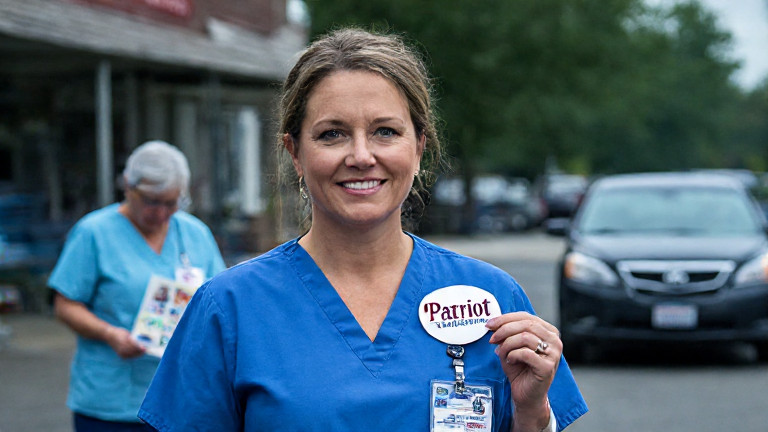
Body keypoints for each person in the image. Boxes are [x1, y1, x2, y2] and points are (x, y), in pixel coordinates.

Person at [139, 29, 588, 431]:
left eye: (385, 132)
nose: (360, 155)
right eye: (332, 134)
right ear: (294, 153)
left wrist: (532, 414)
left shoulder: (492, 300)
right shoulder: (229, 309)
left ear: (419, 148)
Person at [49, 140, 226, 431]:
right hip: (111, 404)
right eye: (152, 201)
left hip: (180, 401)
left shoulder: (195, 234)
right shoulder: (93, 233)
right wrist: (110, 334)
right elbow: (65, 304)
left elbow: (217, 301)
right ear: (128, 186)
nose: (161, 213)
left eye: (172, 203)